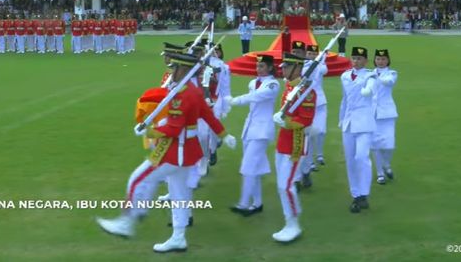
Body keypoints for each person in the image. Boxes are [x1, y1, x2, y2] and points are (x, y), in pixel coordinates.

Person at [96, 53, 238, 252]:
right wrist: (225, 135)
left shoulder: (183, 96)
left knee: (138, 179)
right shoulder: (193, 92)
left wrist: (150, 131)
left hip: (175, 151)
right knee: (180, 194)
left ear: (184, 70)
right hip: (187, 151)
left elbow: (174, 129)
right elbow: (208, 116)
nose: (172, 71)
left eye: (176, 68)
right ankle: (178, 237)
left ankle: (126, 222)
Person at [224, 54, 280, 216]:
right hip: (250, 128)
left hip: (262, 131)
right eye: (257, 66)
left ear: (270, 68)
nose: (258, 68)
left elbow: (256, 97)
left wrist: (236, 100)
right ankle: (257, 203)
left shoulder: (272, 85)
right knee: (254, 168)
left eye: (262, 66)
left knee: (248, 167)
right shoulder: (252, 82)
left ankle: (243, 204)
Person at [270, 52, 316, 243]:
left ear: (297, 68)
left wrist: (285, 122)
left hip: (296, 143)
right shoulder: (290, 87)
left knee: (286, 185)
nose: (283, 69)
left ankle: (293, 224)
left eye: (287, 67)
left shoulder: (307, 92)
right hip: (283, 141)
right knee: (282, 185)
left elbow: (306, 119)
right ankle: (289, 220)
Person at [339, 46, 376, 213]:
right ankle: (356, 195)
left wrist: (366, 90)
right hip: (348, 122)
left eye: (360, 58)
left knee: (361, 157)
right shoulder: (345, 76)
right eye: (354, 58)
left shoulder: (370, 75)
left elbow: (370, 89)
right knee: (350, 160)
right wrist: (341, 120)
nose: (356, 61)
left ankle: (364, 193)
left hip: (364, 122)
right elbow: (345, 100)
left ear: (366, 61)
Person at [297, 43, 328, 188]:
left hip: (318, 103)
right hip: (301, 105)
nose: (311, 56)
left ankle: (307, 169)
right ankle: (301, 174)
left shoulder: (319, 65)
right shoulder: (298, 66)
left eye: (314, 54)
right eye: (309, 54)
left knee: (315, 134)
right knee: (302, 141)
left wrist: (322, 59)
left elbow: (324, 70)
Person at [370, 49, 398, 185]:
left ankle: (386, 164)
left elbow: (389, 82)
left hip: (387, 113)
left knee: (389, 145)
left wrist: (377, 77)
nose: (380, 61)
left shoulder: (392, 73)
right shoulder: (370, 74)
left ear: (387, 60)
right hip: (372, 114)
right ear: (374, 60)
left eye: (383, 59)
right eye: (378, 59)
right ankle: (380, 173)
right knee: (375, 145)